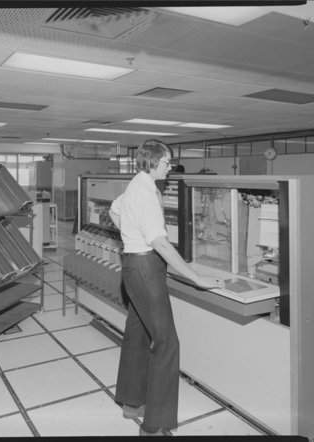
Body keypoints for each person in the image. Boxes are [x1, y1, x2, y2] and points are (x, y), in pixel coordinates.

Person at [109, 139, 223, 437]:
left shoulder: (136, 185)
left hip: (132, 266)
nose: (169, 167)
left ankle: (131, 403)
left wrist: (129, 235)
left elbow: (114, 210)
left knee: (137, 333)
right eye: (166, 162)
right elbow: (159, 242)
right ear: (151, 161)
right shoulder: (145, 193)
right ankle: (153, 426)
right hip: (146, 267)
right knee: (166, 343)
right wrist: (195, 277)